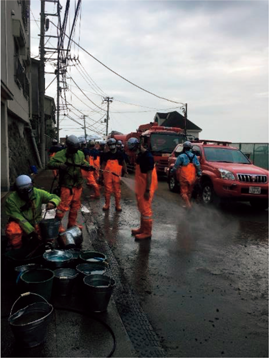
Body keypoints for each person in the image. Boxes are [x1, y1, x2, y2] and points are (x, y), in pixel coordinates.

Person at [48, 134, 94, 232]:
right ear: (68, 147)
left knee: (75, 206)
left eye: (76, 149)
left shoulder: (80, 154)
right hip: (66, 185)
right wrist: (60, 165)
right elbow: (50, 164)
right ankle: (58, 225)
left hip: (77, 184)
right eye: (73, 149)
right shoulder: (61, 154)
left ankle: (72, 224)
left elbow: (83, 163)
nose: (75, 151)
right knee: (62, 207)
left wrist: (88, 166)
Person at [5, 175, 61, 255]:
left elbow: (55, 197)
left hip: (36, 222)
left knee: (49, 234)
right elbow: (20, 219)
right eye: (22, 190)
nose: (26, 192)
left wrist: (53, 202)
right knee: (13, 230)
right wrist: (32, 232)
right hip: (20, 224)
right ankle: (17, 249)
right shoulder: (11, 200)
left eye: (28, 188)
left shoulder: (38, 193)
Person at [127, 137, 158, 240]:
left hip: (146, 186)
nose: (133, 152)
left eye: (134, 150)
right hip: (140, 186)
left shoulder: (148, 157)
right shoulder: (140, 155)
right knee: (141, 207)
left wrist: (147, 190)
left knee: (146, 210)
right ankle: (142, 228)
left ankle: (147, 232)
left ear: (138, 146)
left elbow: (149, 175)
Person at [171, 141, 202, 209]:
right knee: (189, 191)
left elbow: (176, 166)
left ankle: (188, 205)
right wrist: (199, 174)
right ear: (190, 148)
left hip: (184, 176)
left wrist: (172, 171)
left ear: (184, 148)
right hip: (192, 176)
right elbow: (198, 166)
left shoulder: (181, 156)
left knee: (183, 192)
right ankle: (188, 204)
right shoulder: (195, 157)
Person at [100, 138, 127, 212]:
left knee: (117, 191)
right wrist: (101, 174)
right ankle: (107, 204)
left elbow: (124, 163)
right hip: (107, 176)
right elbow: (103, 164)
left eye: (112, 144)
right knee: (107, 191)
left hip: (116, 176)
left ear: (115, 145)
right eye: (110, 145)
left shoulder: (119, 154)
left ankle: (118, 205)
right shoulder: (106, 155)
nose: (111, 146)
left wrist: (125, 173)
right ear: (108, 146)